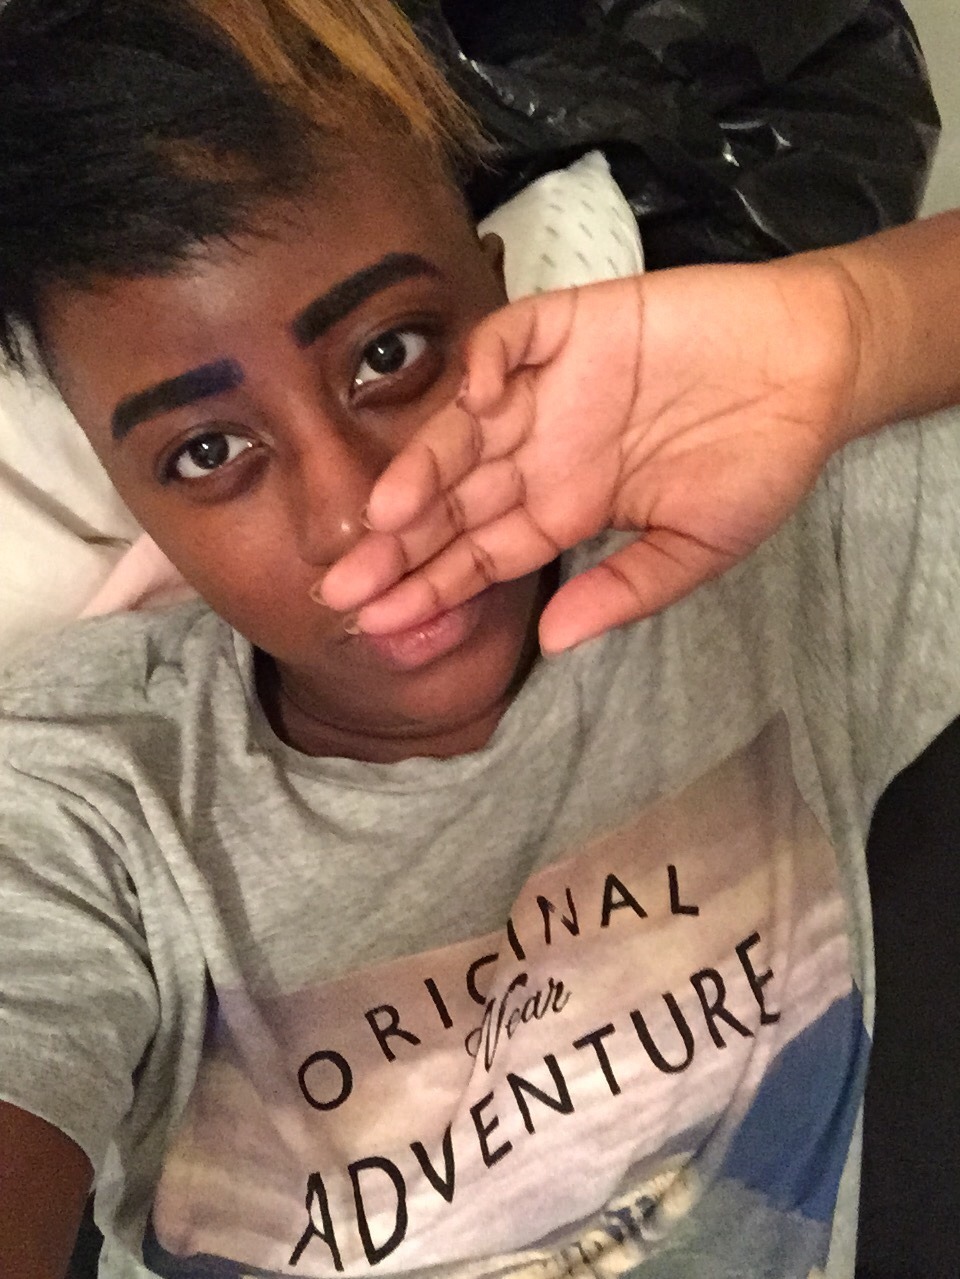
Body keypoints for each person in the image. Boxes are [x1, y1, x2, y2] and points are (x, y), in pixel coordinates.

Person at [1, 3, 960, 1279]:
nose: (358, 516)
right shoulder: (80, 800)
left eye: (389, 353)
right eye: (208, 451)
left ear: (496, 290)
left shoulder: (773, 559)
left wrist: (848, 327)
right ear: (133, 497)